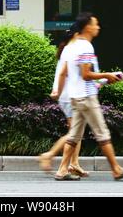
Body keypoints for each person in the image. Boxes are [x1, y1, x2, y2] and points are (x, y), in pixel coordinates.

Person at [53, 13, 123, 181]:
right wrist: (107, 74)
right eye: (95, 24)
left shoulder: (72, 46)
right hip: (86, 97)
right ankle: (116, 169)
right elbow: (85, 75)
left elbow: (73, 74)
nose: (98, 27)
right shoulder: (86, 47)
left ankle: (62, 170)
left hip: (75, 97)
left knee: (74, 135)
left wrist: (106, 79)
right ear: (87, 27)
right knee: (102, 133)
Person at [38, 39, 89, 178]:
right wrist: (102, 78)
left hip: (66, 96)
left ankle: (74, 163)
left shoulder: (67, 52)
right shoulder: (72, 53)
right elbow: (81, 75)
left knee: (75, 131)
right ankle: (49, 155)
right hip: (70, 96)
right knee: (75, 132)